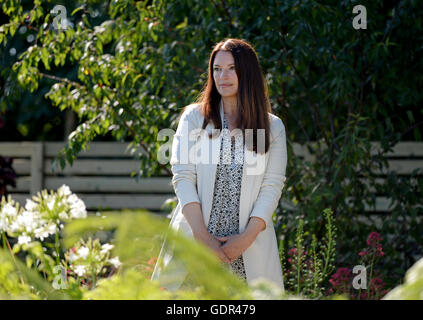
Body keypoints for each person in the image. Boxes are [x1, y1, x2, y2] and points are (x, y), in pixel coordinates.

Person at [151, 38, 287, 291]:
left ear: (247, 72)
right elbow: (182, 176)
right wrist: (203, 238)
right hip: (196, 245)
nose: (223, 76)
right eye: (217, 69)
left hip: (248, 250)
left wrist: (244, 240)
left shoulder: (272, 127)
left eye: (232, 68)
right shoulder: (194, 117)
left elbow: (272, 186)